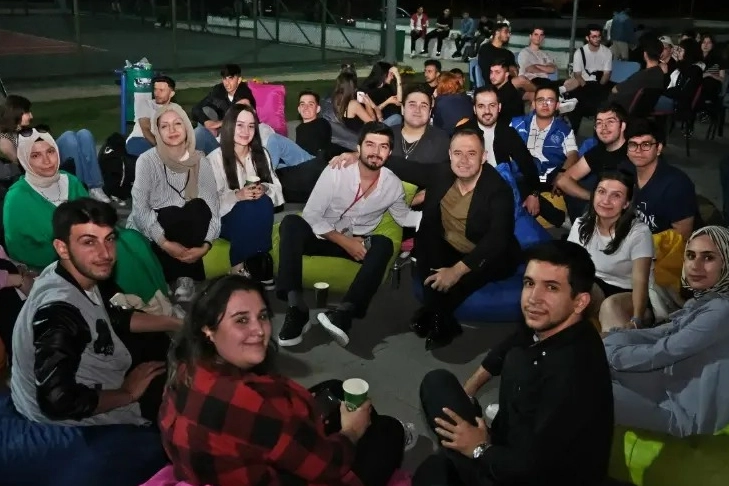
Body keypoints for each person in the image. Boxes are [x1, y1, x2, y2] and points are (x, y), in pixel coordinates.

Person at [159, 275, 408, 486]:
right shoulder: (254, 402)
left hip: (221, 467)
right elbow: (328, 466)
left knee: (333, 389)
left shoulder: (185, 366)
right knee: (388, 431)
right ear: (208, 330)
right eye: (241, 320)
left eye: (262, 316)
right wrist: (352, 431)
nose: (259, 330)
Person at [414, 240, 614, 486]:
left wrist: (479, 449)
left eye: (551, 288)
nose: (533, 298)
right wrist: (470, 390)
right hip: (507, 445)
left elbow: (534, 468)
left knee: (432, 473)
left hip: (529, 474)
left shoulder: (571, 374)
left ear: (579, 302)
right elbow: (505, 349)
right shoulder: (556, 327)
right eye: (529, 283)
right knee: (437, 383)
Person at [11, 197, 181, 427]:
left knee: (161, 342)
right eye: (89, 242)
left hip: (83, 369)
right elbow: (57, 400)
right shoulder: (58, 313)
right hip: (60, 410)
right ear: (62, 248)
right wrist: (127, 393)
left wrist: (176, 323)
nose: (105, 254)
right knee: (177, 398)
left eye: (109, 239)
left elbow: (112, 317)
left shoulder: (78, 270)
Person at [373, 128, 522, 350]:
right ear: (450, 155)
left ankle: (436, 316)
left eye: (471, 153)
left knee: (461, 280)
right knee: (426, 245)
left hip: (489, 253)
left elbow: (497, 240)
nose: (464, 160)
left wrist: (456, 271)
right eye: (458, 153)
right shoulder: (442, 173)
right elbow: (406, 167)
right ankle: (441, 318)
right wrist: (358, 155)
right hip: (450, 244)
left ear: (483, 157)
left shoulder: (498, 190)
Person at [276, 122, 420, 348]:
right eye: (370, 144)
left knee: (384, 244)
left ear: (389, 153)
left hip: (360, 244)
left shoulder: (392, 184)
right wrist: (345, 241)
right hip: (322, 237)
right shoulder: (337, 171)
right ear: (358, 148)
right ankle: (296, 308)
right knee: (291, 223)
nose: (375, 152)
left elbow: (404, 217)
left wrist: (437, 212)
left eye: (383, 147)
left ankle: (344, 313)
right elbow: (311, 214)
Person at [2, 128, 170, 309]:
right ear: (24, 159)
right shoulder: (17, 197)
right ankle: (146, 305)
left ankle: (156, 296)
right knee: (117, 250)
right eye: (35, 156)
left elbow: (94, 216)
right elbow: (17, 248)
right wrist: (72, 250)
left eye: (50, 151)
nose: (47, 160)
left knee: (133, 239)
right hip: (53, 258)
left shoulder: (69, 180)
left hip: (89, 240)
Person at [604, 226, 729, 437]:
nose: (695, 265)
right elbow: (658, 334)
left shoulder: (721, 310)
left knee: (581, 386)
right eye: (691, 256)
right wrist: (612, 338)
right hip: (667, 387)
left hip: (683, 414)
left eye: (708, 258)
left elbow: (665, 351)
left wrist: (610, 353)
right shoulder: (702, 303)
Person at [127, 103, 220, 302]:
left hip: (189, 230)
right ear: (157, 131)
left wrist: (206, 245)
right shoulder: (147, 161)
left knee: (198, 207)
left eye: (177, 123)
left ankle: (184, 277)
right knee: (170, 212)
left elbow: (213, 209)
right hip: (154, 231)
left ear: (186, 127)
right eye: (164, 126)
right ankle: (171, 276)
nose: (172, 130)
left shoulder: (200, 161)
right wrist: (165, 243)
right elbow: (140, 210)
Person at [568, 171, 654, 331]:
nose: (606, 200)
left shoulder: (639, 233)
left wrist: (637, 318)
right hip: (595, 283)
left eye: (616, 195)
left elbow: (640, 281)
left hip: (629, 291)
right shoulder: (581, 224)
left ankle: (612, 344)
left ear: (626, 203)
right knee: (573, 296)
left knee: (610, 307)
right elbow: (570, 265)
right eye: (601, 192)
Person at [207, 104, 279, 287]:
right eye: (240, 125)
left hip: (257, 214)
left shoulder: (261, 154)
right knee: (246, 206)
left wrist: (265, 188)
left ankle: (255, 263)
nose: (246, 132)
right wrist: (237, 195)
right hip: (225, 220)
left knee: (262, 201)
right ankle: (242, 265)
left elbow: (277, 190)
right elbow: (209, 204)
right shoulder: (214, 159)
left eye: (251, 126)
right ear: (229, 126)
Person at [0, 95, 112, 203]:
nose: (31, 116)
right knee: (69, 138)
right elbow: (23, 164)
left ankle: (95, 187)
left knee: (84, 134)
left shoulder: (23, 129)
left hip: (48, 154)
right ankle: (81, 187)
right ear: (16, 113)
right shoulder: (4, 139)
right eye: (27, 112)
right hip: (42, 164)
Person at [192, 64, 255, 155]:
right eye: (224, 78)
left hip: (236, 145)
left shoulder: (244, 94)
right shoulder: (219, 90)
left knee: (199, 133)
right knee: (201, 125)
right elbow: (196, 109)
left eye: (231, 78)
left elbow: (240, 118)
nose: (227, 83)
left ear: (239, 80)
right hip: (219, 140)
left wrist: (219, 123)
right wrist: (207, 121)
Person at [125, 75, 176, 156]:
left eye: (161, 90)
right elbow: (146, 130)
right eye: (155, 89)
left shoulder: (175, 109)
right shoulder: (146, 104)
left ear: (171, 93)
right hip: (140, 139)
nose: (157, 93)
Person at [360, 62, 403, 127]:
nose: (392, 77)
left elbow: (399, 100)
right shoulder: (367, 90)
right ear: (384, 74)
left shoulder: (387, 87)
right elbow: (371, 114)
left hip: (391, 119)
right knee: (397, 118)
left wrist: (398, 77)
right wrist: (387, 102)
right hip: (378, 123)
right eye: (391, 74)